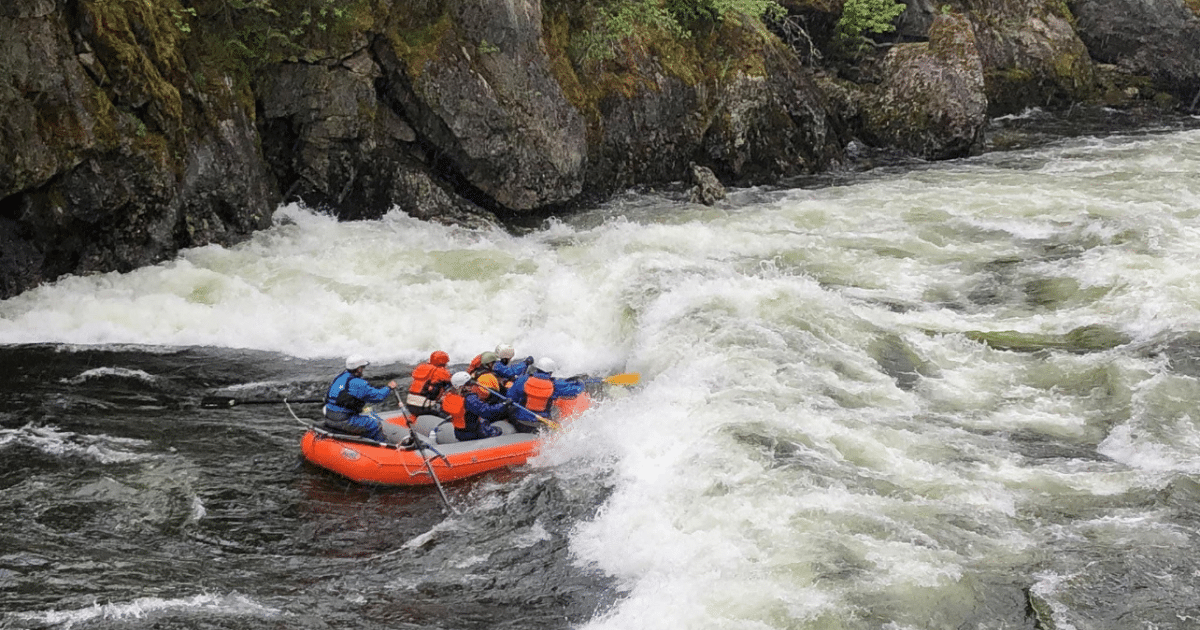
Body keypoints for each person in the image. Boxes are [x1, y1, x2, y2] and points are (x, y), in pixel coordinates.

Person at [323, 355, 397, 442]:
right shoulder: (358, 383)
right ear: (358, 369)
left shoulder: (339, 377)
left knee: (363, 413)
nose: (363, 370)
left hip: (329, 416)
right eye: (363, 367)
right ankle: (381, 446)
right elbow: (378, 396)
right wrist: (389, 388)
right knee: (374, 424)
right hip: (343, 420)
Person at [508, 357, 585, 432]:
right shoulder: (555, 385)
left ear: (537, 368)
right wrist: (580, 382)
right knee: (555, 410)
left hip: (519, 422)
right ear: (550, 372)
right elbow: (577, 390)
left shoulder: (523, 379)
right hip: (540, 426)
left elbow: (511, 396)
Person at [440, 371, 510, 441]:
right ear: (465, 385)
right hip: (474, 433)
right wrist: (503, 404)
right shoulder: (469, 398)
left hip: (459, 433)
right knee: (499, 431)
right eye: (469, 383)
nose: (472, 385)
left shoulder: (450, 396)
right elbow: (486, 411)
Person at [405, 350, 452, 417]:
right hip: (424, 407)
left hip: (409, 404)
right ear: (443, 362)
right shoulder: (442, 372)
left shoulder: (420, 367)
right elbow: (452, 382)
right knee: (449, 386)